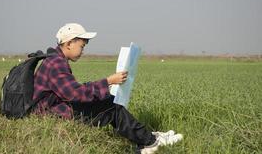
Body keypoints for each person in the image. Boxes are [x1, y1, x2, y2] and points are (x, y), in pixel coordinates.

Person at [33, 23, 183, 154]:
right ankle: (151, 142)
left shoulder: (53, 60)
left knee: (107, 100)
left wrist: (107, 84)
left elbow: (72, 90)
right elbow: (75, 94)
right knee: (111, 106)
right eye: (82, 46)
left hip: (54, 109)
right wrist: (107, 81)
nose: (83, 50)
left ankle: (147, 138)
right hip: (53, 114)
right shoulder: (57, 63)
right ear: (69, 43)